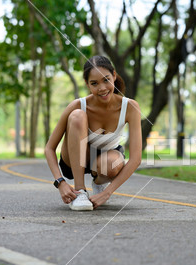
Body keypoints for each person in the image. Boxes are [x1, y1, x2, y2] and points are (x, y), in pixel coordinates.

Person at [45, 56, 142, 210]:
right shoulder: (78, 105)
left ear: (114, 76)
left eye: (106, 80)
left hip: (104, 161)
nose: (102, 88)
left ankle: (99, 184)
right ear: (87, 85)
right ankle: (80, 191)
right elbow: (49, 148)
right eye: (94, 83)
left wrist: (108, 192)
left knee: (113, 163)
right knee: (77, 116)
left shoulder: (130, 107)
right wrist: (60, 182)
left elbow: (136, 158)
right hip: (73, 161)